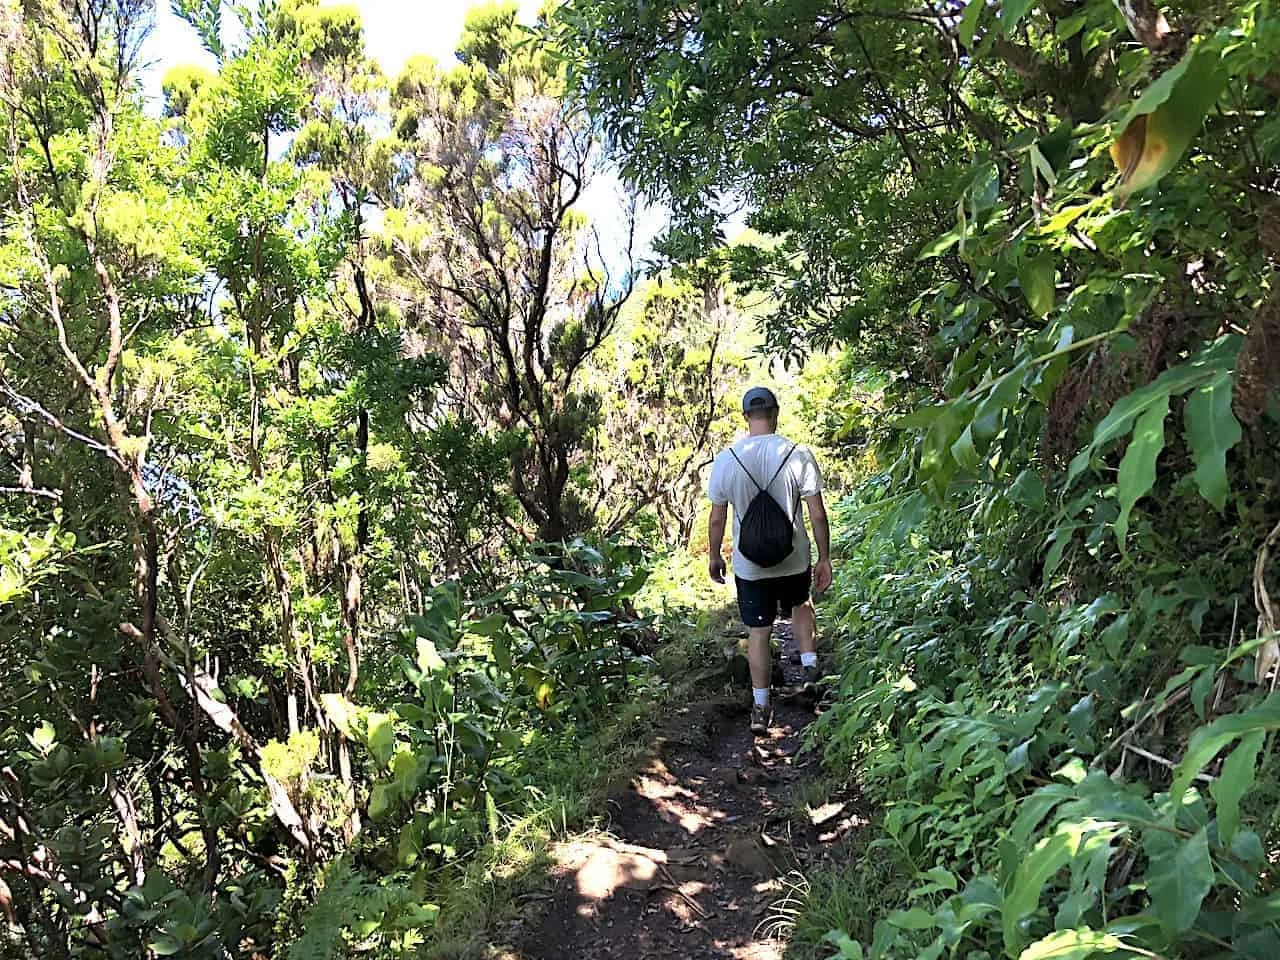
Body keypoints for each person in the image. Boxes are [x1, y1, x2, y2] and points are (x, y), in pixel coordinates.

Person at [707, 386, 832, 735]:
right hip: (793, 557)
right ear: (775, 413)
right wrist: (824, 558)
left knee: (758, 633)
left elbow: (717, 519)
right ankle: (809, 673)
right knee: (801, 605)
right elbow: (817, 514)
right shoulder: (797, 453)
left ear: (746, 416)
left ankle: (761, 708)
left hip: (750, 565)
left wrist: (715, 554)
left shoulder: (727, 459)